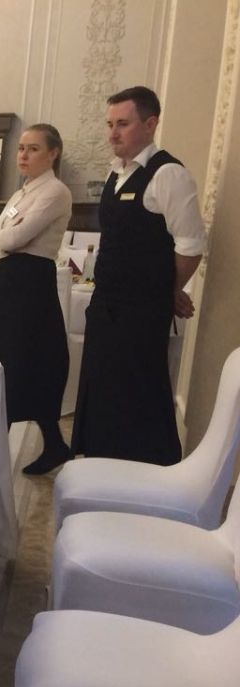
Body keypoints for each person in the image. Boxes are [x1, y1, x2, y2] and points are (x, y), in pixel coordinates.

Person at [71, 86, 206, 465]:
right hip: (106, 305)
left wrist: (168, 290)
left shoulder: (168, 174)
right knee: (104, 389)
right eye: (109, 124)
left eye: (123, 124)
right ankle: (102, 464)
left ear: (150, 124)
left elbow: (191, 246)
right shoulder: (116, 173)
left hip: (140, 313)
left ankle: (141, 472)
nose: (112, 134)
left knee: (136, 393)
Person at [0, 124, 74, 474]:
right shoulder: (22, 193)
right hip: (9, 281)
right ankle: (48, 444)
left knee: (28, 360)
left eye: (33, 149)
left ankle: (0, 452)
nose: (23, 155)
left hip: (31, 284)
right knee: (5, 359)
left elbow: (10, 238)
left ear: (53, 153)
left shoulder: (55, 192)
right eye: (21, 148)